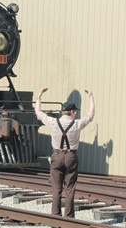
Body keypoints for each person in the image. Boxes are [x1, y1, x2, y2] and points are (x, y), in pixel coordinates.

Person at [35, 88, 95, 217]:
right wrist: (91, 97)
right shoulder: (77, 124)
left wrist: (39, 96)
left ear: (63, 112)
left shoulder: (53, 122)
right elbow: (90, 115)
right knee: (70, 188)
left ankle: (56, 214)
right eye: (75, 112)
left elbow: (38, 112)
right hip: (71, 157)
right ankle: (69, 215)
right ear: (72, 112)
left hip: (57, 155)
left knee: (56, 188)